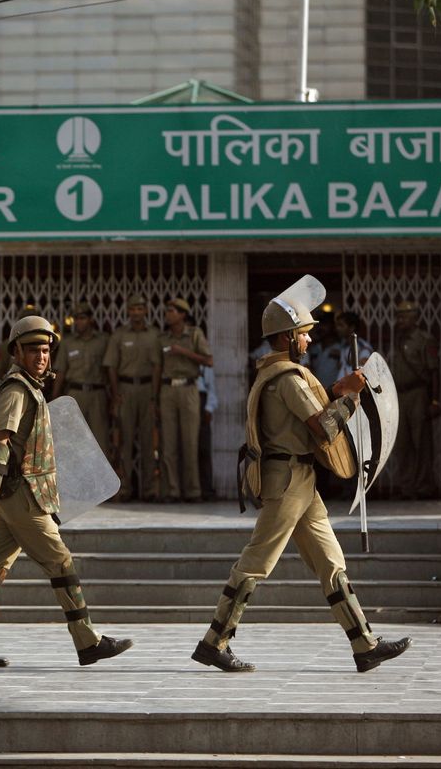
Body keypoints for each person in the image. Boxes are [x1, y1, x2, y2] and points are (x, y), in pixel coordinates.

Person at [191, 277, 412, 674]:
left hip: (301, 483)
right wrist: (348, 396)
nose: (309, 342)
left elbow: (310, 410)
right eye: (304, 335)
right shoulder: (289, 379)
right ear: (289, 338)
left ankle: (365, 645)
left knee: (331, 562)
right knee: (256, 562)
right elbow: (323, 427)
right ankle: (214, 642)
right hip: (288, 481)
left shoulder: (282, 375)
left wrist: (340, 389)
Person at [0, 315, 134, 669]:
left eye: (46, 349)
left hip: (16, 494)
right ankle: (88, 641)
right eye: (33, 349)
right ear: (16, 351)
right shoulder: (17, 390)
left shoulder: (30, 387)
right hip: (21, 495)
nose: (41, 356)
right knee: (60, 561)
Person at [105, 294, 161, 502]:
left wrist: (155, 397)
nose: (136, 312)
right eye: (133, 309)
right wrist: (115, 392)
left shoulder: (154, 335)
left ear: (146, 311)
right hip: (125, 389)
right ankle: (125, 489)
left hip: (147, 390)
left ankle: (149, 490)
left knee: (148, 442)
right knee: (125, 442)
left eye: (140, 309)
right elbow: (111, 365)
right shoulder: (119, 335)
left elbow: (157, 367)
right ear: (128, 312)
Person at [158, 298, 213, 502]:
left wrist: (183, 352)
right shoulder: (163, 338)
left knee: (190, 442)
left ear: (182, 314)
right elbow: (157, 368)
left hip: (189, 387)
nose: (168, 314)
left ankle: (193, 491)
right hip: (167, 389)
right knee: (169, 444)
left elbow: (209, 360)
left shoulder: (195, 334)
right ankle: (172, 490)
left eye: (171, 311)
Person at [391, 301, 439, 499]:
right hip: (399, 395)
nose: (401, 320)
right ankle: (407, 487)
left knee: (421, 442)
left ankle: (423, 487)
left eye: (405, 316)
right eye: (399, 316)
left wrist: (434, 400)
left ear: (415, 317)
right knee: (402, 443)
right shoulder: (397, 338)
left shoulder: (424, 339)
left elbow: (434, 371)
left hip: (418, 394)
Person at [50, 301, 110, 458]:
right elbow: (61, 371)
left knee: (99, 439)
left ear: (90, 319)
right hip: (74, 395)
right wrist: (55, 399)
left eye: (82, 318)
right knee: (73, 438)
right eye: (76, 318)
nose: (79, 322)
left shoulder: (103, 341)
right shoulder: (68, 343)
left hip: (97, 394)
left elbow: (109, 369)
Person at [196, 364, 218, 501]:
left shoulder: (203, 363)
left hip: (201, 400)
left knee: (203, 447)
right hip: (187, 395)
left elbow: (211, 387)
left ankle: (206, 489)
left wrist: (209, 407)